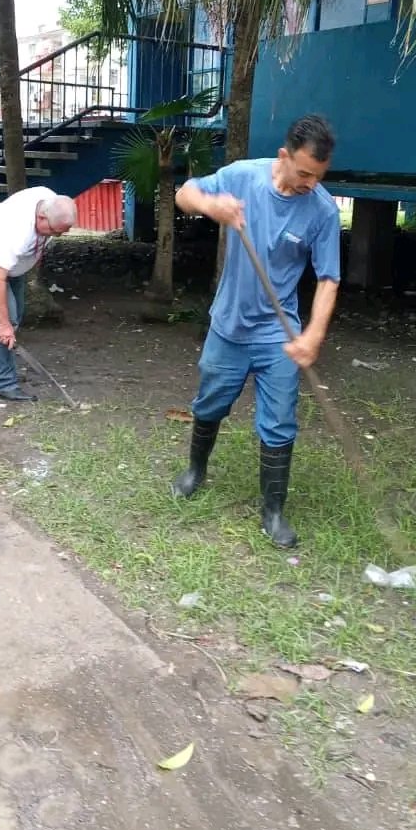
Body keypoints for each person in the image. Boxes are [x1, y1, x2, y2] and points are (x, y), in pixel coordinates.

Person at [172, 115, 340, 549]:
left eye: (318, 176)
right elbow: (184, 193)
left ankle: (274, 511)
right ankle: (195, 470)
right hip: (228, 326)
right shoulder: (244, 176)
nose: (309, 183)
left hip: (277, 333)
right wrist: (212, 206)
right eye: (304, 172)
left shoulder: (321, 209)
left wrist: (314, 336)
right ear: (284, 156)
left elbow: (328, 279)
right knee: (210, 402)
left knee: (280, 420)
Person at [0, 187, 77, 402]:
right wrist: (4, 325)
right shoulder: (15, 233)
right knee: (5, 320)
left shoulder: (50, 199)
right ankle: (2, 383)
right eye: (55, 231)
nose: (57, 236)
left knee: (17, 313)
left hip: (11, 264)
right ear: (41, 217)